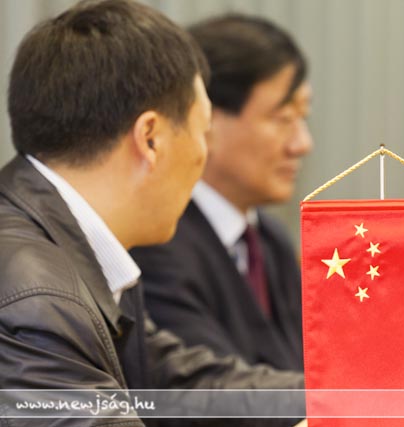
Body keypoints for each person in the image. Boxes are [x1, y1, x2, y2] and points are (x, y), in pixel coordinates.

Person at [0, 0, 303, 424]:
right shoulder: (37, 297)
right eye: (203, 132)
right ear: (151, 139)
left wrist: (350, 399)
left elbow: (176, 385)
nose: (202, 155)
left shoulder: (79, 256)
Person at [130, 14, 312, 371]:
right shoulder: (156, 244)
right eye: (283, 119)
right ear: (206, 120)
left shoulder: (271, 240)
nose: (302, 144)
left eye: (303, 117)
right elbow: (209, 388)